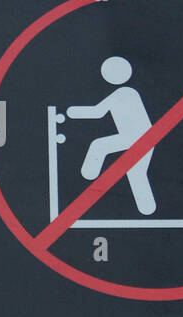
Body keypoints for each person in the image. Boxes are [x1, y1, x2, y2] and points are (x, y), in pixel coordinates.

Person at [67, 56, 156, 215]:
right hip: (144, 138)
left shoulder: (125, 93)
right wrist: (72, 112)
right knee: (136, 172)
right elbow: (98, 112)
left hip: (138, 137)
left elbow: (97, 112)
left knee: (99, 146)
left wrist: (71, 112)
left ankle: (88, 176)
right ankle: (148, 210)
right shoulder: (123, 93)